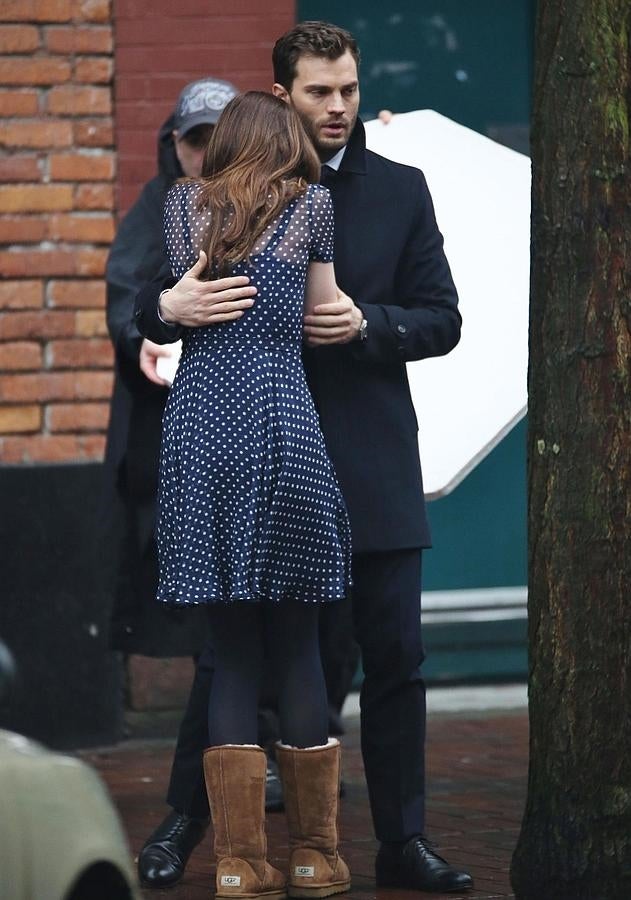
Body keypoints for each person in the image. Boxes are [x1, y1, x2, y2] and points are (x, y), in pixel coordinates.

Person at [134, 21, 473, 895]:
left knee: (392, 654)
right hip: (266, 453)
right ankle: (191, 826)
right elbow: (142, 301)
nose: (339, 106)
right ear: (282, 96)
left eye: (349, 90)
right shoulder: (200, 193)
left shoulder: (400, 188)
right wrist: (165, 309)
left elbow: (441, 317)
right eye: (321, 91)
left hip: (362, 461)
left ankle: (401, 840)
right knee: (235, 656)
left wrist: (370, 324)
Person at [159, 90, 353, 900]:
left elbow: (181, 295)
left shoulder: (183, 205)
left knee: (232, 649)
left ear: (225, 141)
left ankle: (239, 865)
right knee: (300, 645)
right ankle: (313, 856)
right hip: (284, 425)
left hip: (203, 430)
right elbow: (321, 314)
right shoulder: (313, 205)